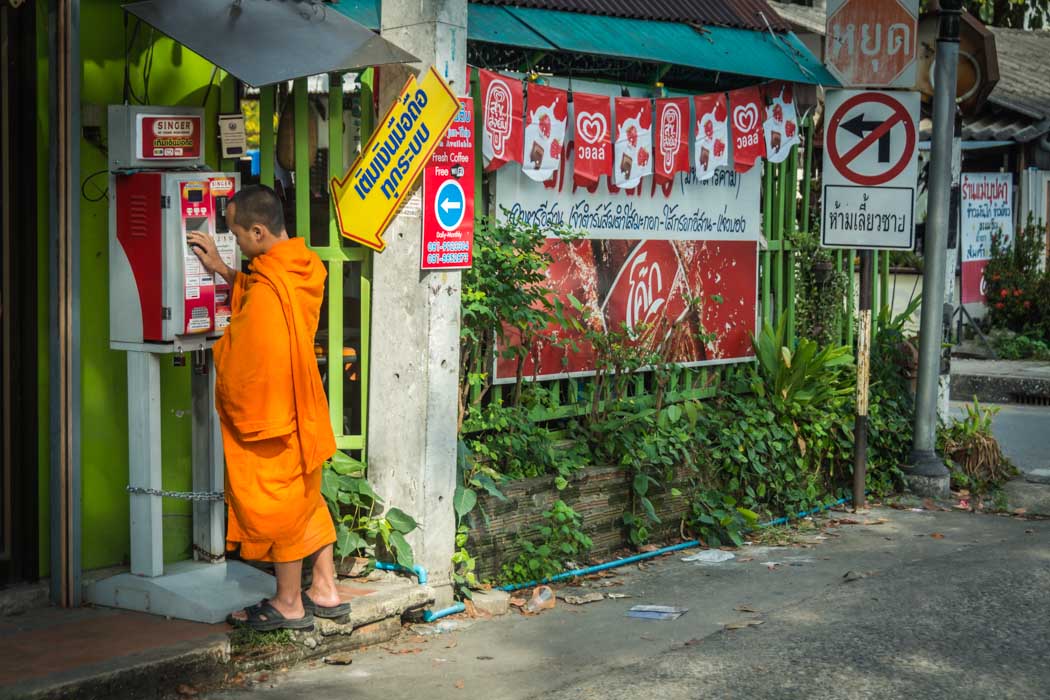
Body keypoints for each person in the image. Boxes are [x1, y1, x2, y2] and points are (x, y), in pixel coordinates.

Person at [187, 184, 348, 631]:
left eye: (237, 236)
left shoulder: (268, 284)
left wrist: (218, 350)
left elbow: (249, 355)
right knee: (306, 499)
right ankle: (327, 590)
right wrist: (222, 270)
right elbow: (268, 300)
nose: (235, 244)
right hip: (305, 410)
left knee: (281, 507)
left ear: (258, 232)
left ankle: (288, 602)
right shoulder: (300, 267)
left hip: (275, 416)